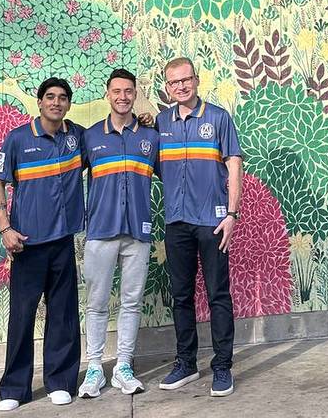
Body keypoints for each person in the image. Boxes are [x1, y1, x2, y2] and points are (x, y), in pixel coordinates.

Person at [0, 77, 85, 412]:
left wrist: (142, 120)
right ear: (39, 101)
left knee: (63, 314)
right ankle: (15, 387)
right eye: (50, 97)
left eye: (62, 98)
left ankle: (60, 381)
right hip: (26, 244)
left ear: (68, 104)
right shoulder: (18, 139)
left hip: (62, 241)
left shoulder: (76, 137)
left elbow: (109, 141)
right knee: (22, 316)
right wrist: (5, 229)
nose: (56, 102)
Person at [156, 57, 243, 397]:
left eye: (186, 79)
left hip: (212, 222)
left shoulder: (219, 118)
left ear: (196, 79)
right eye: (174, 82)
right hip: (176, 222)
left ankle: (222, 368)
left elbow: (233, 167)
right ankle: (186, 363)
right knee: (181, 296)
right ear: (167, 87)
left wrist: (232, 215)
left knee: (218, 295)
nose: (181, 86)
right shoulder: (161, 123)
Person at [77, 68, 160, 399]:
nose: (123, 96)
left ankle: (123, 366)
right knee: (96, 303)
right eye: (117, 91)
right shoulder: (91, 137)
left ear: (135, 93)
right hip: (100, 231)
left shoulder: (151, 137)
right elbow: (67, 179)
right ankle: (95, 368)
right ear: (107, 93)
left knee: (131, 301)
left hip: (138, 232)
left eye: (129, 91)